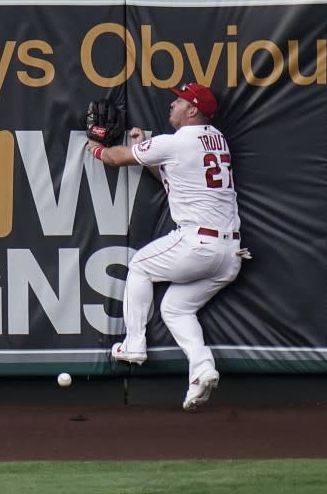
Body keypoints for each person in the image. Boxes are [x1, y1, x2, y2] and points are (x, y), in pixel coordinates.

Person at [87, 82, 249, 411]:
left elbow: (116, 159)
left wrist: (94, 144)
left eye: (179, 101)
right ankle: (202, 367)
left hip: (198, 243)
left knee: (140, 266)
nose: (172, 105)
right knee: (176, 308)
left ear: (193, 110)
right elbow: (173, 175)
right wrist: (146, 150)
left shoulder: (178, 141)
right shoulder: (217, 140)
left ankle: (133, 343)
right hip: (230, 253)